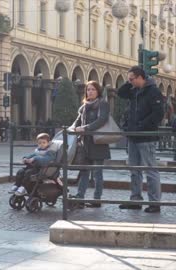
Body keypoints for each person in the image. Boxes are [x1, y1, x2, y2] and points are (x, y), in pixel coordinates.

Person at [117, 66, 164, 213]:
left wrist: (140, 126)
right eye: (129, 79)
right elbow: (120, 93)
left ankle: (155, 203)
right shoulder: (133, 90)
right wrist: (128, 83)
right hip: (133, 136)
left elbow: (158, 114)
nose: (129, 82)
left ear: (140, 77)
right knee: (134, 170)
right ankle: (135, 199)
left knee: (150, 170)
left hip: (146, 136)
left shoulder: (153, 91)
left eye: (132, 79)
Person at [70, 81, 111, 208]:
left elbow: (102, 120)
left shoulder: (103, 104)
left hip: (98, 143)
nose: (90, 92)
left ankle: (97, 199)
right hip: (85, 143)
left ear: (98, 91)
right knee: (84, 172)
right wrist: (70, 129)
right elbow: (77, 122)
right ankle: (80, 197)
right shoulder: (84, 106)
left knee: (97, 173)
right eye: (88, 90)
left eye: (93, 89)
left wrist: (85, 128)